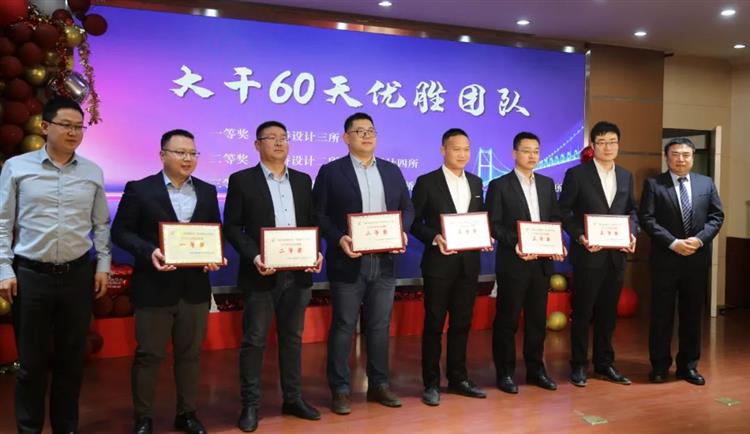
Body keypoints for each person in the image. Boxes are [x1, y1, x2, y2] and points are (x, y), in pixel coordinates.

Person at [0, 96, 111, 434]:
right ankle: (29, 429)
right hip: (31, 276)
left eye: (79, 127)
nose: (73, 132)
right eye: (66, 125)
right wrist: (4, 268)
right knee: (31, 365)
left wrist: (103, 265)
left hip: (77, 275)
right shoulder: (17, 167)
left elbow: (101, 224)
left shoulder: (92, 172)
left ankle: (66, 428)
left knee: (70, 363)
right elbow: (3, 222)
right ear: (45, 127)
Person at [111, 129, 223, 434]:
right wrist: (149, 251)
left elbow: (214, 231)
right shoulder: (140, 189)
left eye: (193, 153)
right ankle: (143, 418)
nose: (188, 159)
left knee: (190, 355)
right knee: (149, 355)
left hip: (195, 287)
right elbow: (120, 232)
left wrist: (214, 256)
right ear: (163, 155)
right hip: (154, 286)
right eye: (180, 152)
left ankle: (187, 413)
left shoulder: (207, 191)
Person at [224, 121, 322, 432]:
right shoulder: (242, 180)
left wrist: (315, 252)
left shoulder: (303, 180)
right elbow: (232, 227)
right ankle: (250, 405)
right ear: (257, 145)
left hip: (298, 274)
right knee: (254, 340)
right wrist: (255, 256)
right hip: (260, 274)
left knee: (292, 339)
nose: (279, 143)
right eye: (271, 138)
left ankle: (292, 398)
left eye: (283, 138)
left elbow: (311, 223)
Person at [313, 112, 414, 415]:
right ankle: (340, 389)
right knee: (344, 325)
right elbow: (318, 214)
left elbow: (407, 208)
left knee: (379, 326)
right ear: (346, 138)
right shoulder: (331, 172)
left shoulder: (392, 170)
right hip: (348, 260)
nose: (367, 136)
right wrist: (339, 238)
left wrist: (402, 231)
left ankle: (379, 384)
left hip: (384, 261)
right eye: (359, 131)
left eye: (371, 130)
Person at [410, 128, 489, 406]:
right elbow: (413, 222)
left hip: (468, 264)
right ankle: (431, 383)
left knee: (462, 323)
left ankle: (458, 378)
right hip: (438, 265)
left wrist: (484, 236)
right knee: (434, 324)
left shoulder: (477, 182)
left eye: (467, 149)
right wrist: (435, 237)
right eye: (456, 149)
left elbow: (480, 219)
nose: (462, 154)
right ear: (443, 150)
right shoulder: (426, 182)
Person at [638, 137, 724, 385]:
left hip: (696, 259)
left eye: (686, 154)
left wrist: (699, 240)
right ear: (667, 157)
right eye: (675, 154)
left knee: (692, 315)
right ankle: (659, 366)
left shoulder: (706, 183)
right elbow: (647, 218)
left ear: (692, 157)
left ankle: (688, 366)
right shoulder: (654, 184)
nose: (680, 159)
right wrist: (673, 242)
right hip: (665, 259)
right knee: (661, 315)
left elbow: (716, 216)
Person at [558, 121, 637, 387]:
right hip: (588, 254)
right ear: (593, 146)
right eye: (602, 142)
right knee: (582, 313)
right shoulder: (577, 174)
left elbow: (632, 210)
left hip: (616, 256)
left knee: (608, 313)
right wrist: (581, 236)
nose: (608, 147)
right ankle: (579, 365)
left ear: (618, 145)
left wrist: (632, 233)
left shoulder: (626, 175)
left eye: (612, 142)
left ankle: (605, 364)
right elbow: (564, 211)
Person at [486, 132, 566, 394]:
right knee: (507, 321)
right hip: (514, 262)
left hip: (541, 264)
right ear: (514, 153)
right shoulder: (499, 185)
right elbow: (493, 224)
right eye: (526, 150)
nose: (532, 156)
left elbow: (554, 219)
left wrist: (557, 243)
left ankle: (536, 370)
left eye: (536, 151)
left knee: (536, 320)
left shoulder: (546, 184)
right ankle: (505, 372)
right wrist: (518, 243)